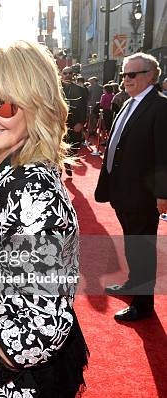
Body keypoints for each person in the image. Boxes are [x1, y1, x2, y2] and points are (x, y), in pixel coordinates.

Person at [0, 40, 88, 397]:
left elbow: (46, 325)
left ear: (35, 106)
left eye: (2, 103)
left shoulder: (32, 190)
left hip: (17, 386)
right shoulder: (3, 173)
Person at [95, 52, 167, 321]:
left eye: (132, 74)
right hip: (122, 191)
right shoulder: (128, 103)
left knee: (142, 246)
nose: (125, 79)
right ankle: (134, 284)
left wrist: (163, 194)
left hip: (144, 194)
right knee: (132, 242)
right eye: (124, 74)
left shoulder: (160, 107)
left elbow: (164, 155)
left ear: (151, 75)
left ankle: (144, 304)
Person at [61, 66, 87, 177]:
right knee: (58, 146)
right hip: (59, 123)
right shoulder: (55, 89)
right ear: (61, 74)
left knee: (74, 146)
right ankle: (59, 167)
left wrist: (81, 123)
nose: (67, 75)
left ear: (73, 75)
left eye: (70, 73)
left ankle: (67, 162)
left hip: (75, 122)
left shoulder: (81, 90)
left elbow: (83, 108)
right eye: (65, 73)